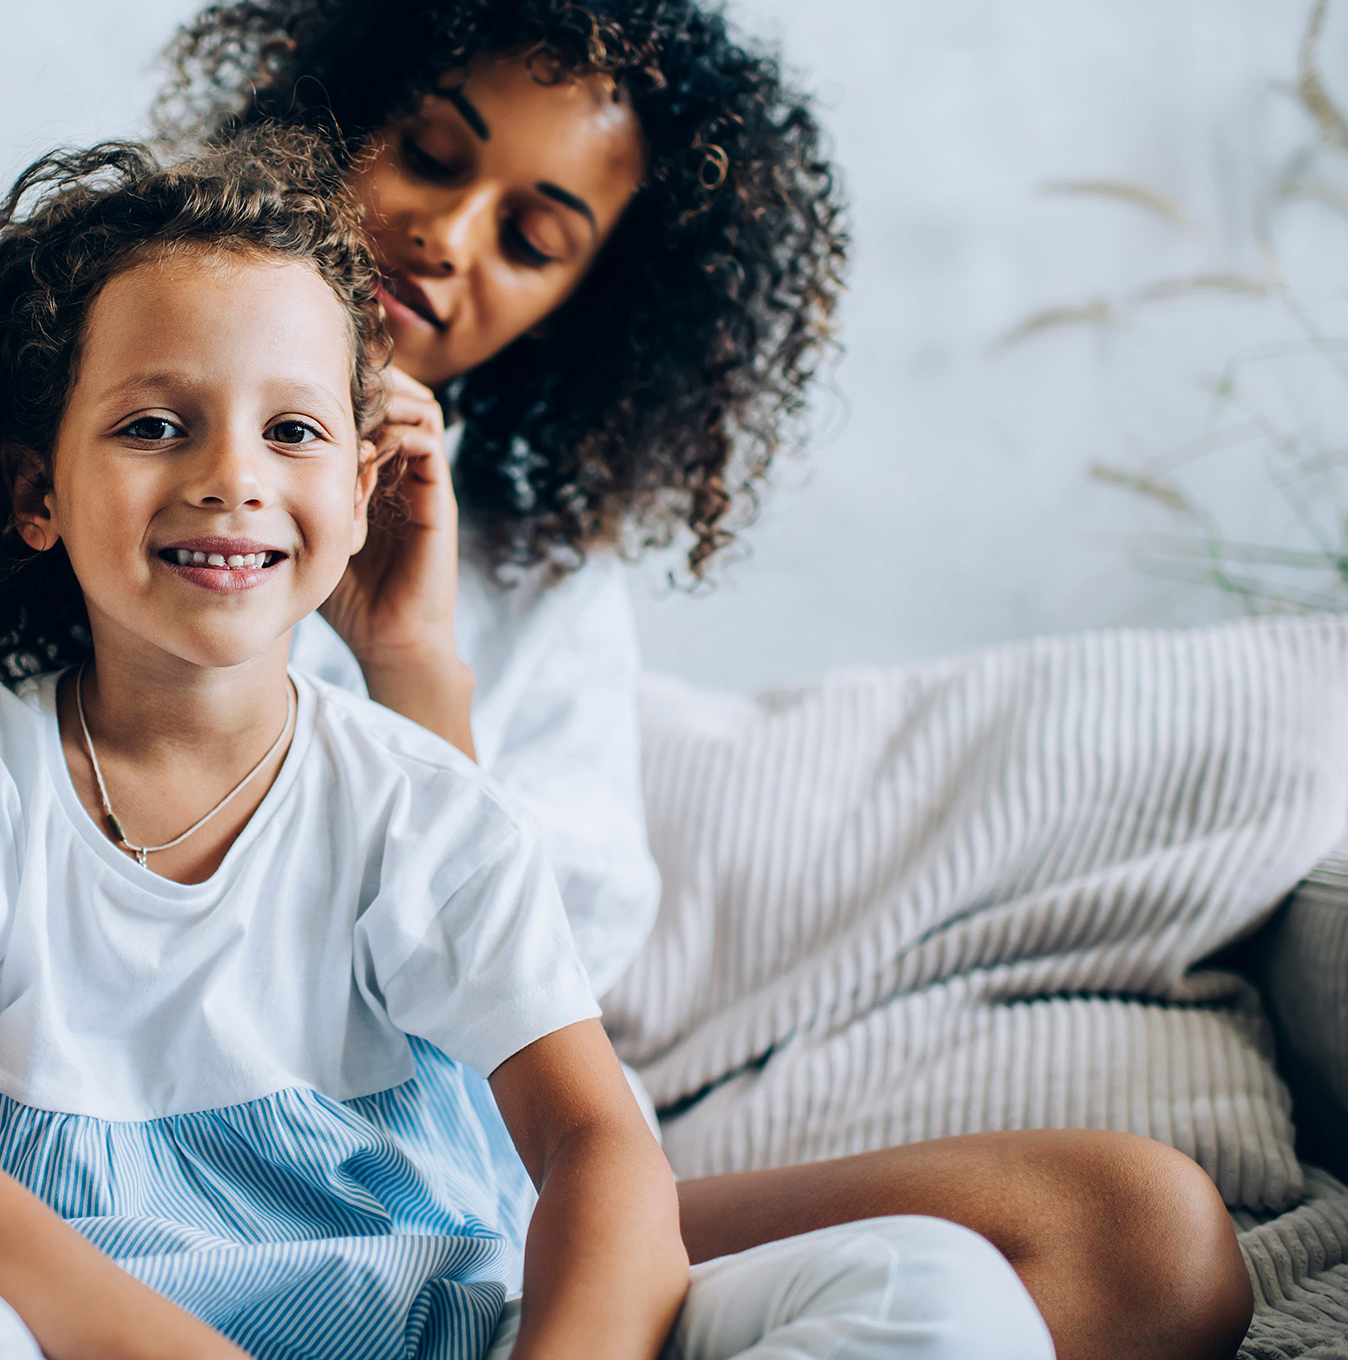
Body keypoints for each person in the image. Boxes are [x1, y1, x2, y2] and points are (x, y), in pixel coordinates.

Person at [153, 6, 1256, 1360]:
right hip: (145, 1183)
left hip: (462, 1195)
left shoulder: (527, 572)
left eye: (534, 238)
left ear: (589, 308)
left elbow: (531, 986)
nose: (451, 238)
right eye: (434, 156)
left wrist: (412, 665)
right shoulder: (77, 420)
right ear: (329, 114)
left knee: (1145, 1237)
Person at [0, 130, 1057, 1360]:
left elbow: (595, 1140)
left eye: (292, 432)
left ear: (363, 494)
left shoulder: (422, 803)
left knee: (933, 1280)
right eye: (152, 425)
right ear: (38, 494)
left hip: (439, 1331)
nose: (231, 477)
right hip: (93, 1339)